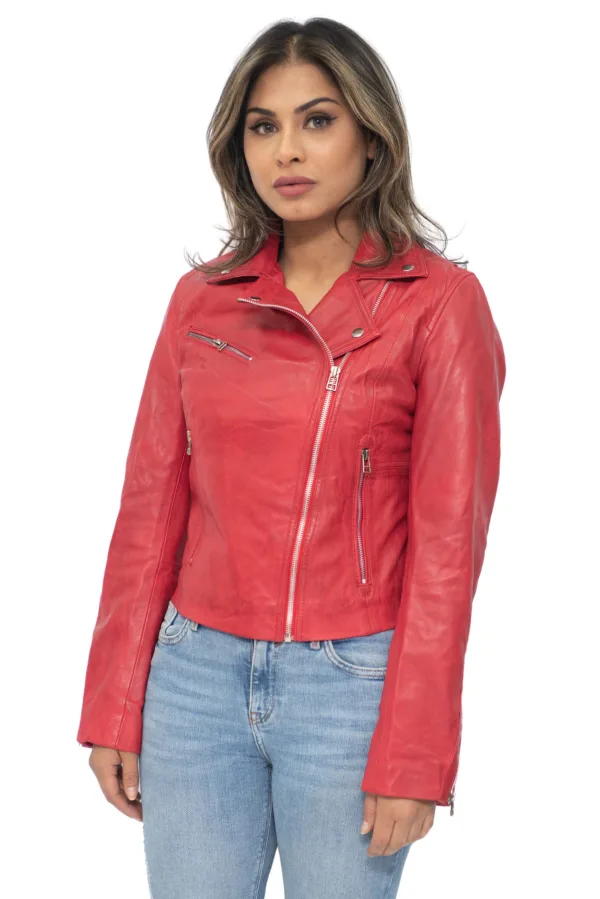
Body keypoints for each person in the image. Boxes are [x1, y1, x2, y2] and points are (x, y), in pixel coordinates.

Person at [76, 16, 506, 899]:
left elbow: (447, 550)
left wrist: (416, 749)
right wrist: (113, 701)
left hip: (350, 687)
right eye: (262, 126)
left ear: (371, 136)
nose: (287, 151)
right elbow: (150, 509)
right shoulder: (201, 301)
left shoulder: (440, 305)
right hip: (193, 679)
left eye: (317, 120)